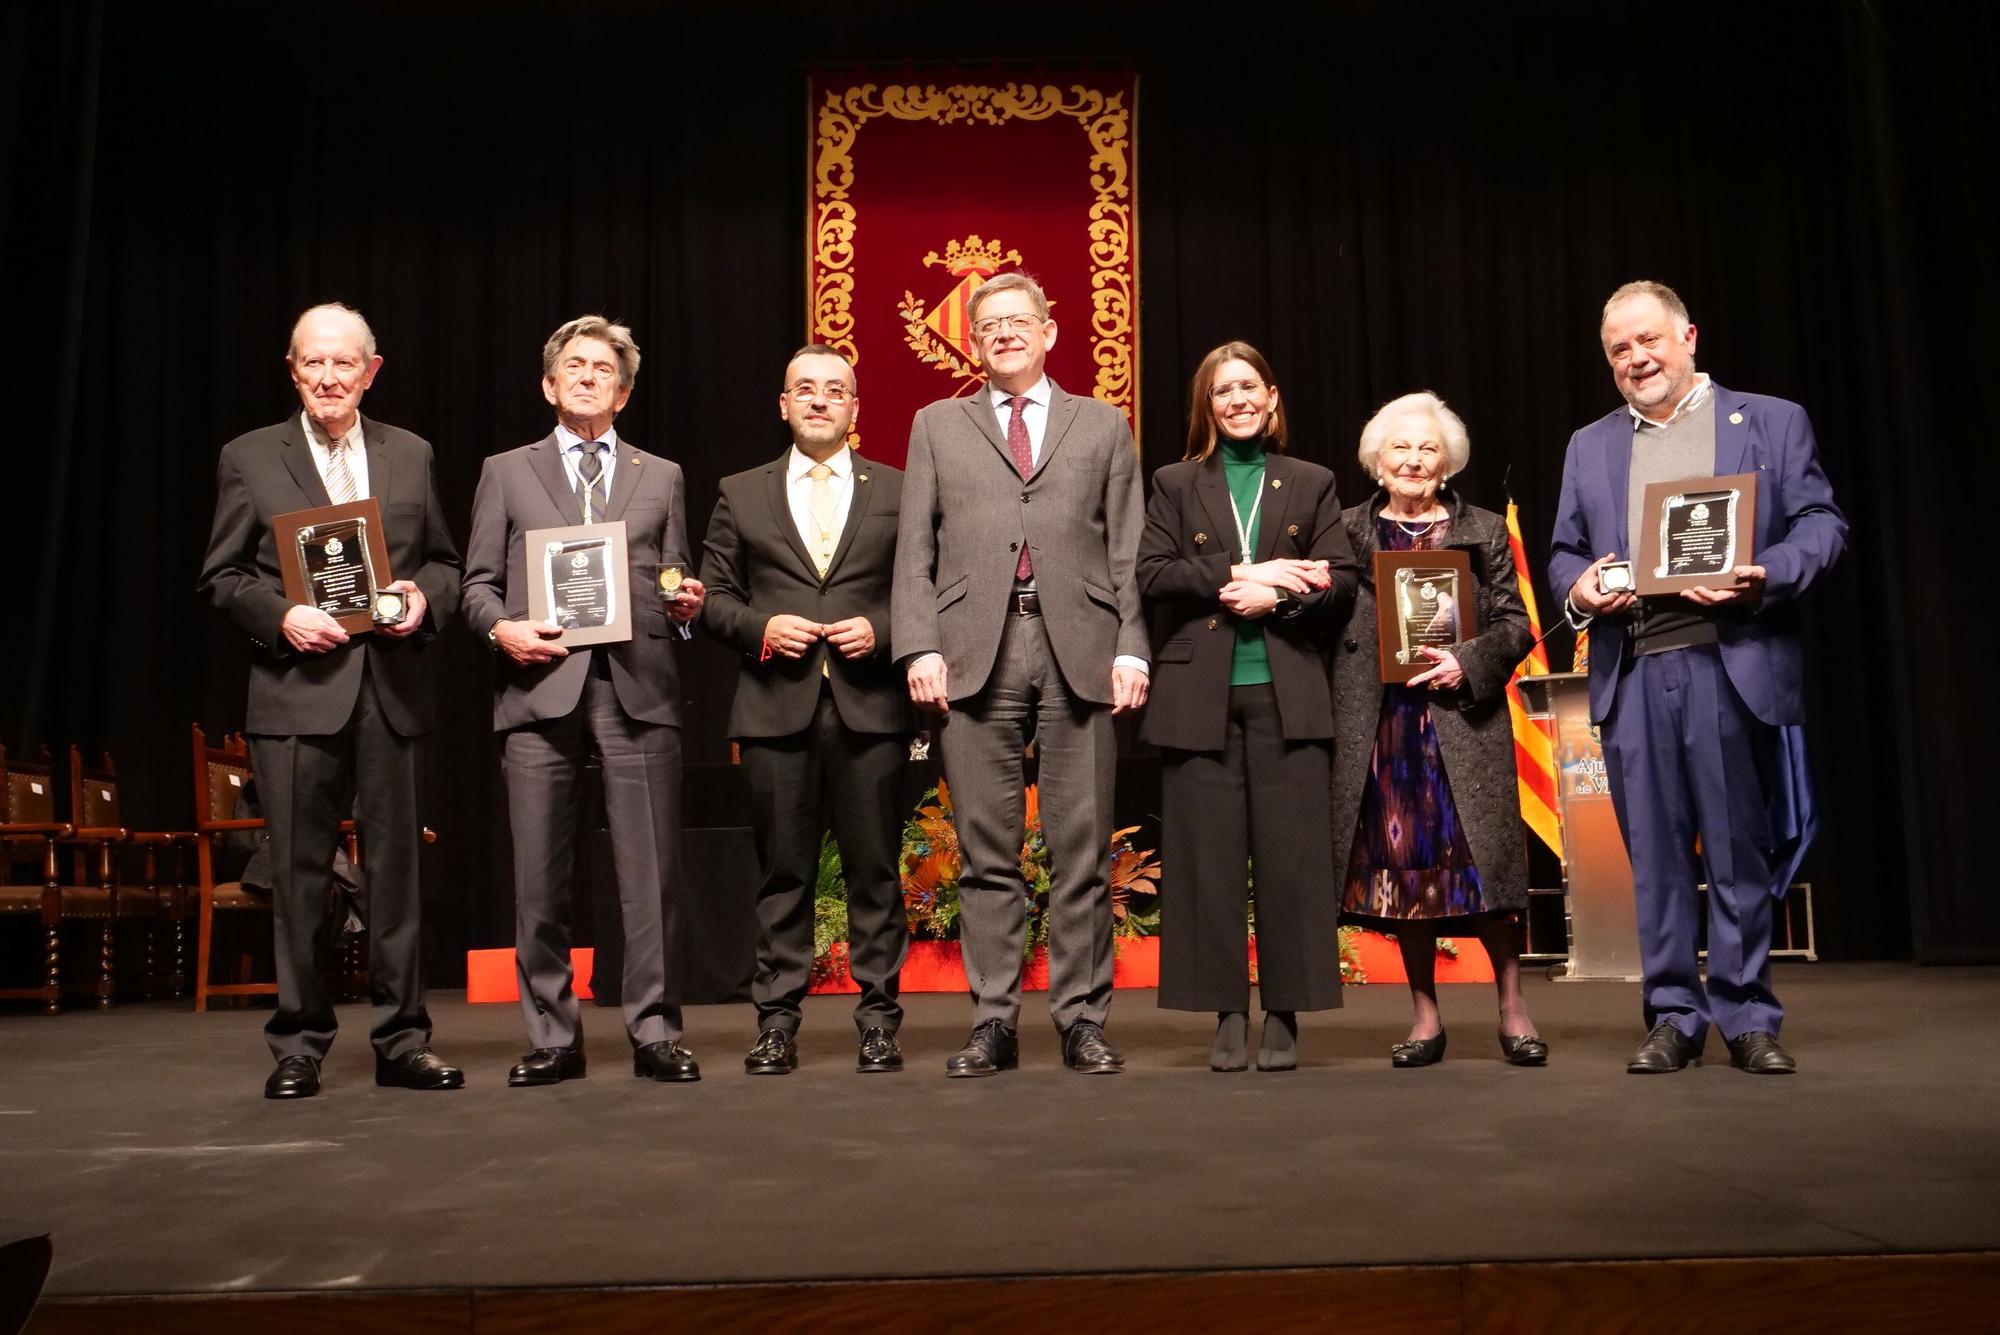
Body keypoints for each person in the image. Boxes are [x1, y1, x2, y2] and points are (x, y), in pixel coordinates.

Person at [1550, 281, 1846, 1075]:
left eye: (1649, 340)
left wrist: (1764, 572)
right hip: (1634, 663)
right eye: (1619, 349)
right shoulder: (1590, 444)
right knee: (1655, 854)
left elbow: (1823, 526)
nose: (1636, 358)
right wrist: (1579, 588)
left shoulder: (1771, 420)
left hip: (1729, 654)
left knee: (1737, 847)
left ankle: (1748, 1013)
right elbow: (1563, 555)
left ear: (1689, 337)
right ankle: (1675, 1013)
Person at [198, 302, 463, 1099]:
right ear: (293, 370)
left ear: (370, 372)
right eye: (313, 363)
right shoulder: (249, 456)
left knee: (397, 877)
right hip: (294, 695)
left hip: (390, 690)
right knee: (298, 878)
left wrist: (425, 600)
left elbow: (447, 564)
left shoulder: (410, 454)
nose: (328, 377)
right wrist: (282, 615)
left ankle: (402, 1039)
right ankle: (299, 1043)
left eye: (343, 363)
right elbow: (222, 576)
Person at [892, 271, 1148, 1077]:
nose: (1004, 332)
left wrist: (1132, 645)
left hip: (1082, 645)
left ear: (1049, 331)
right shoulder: (936, 424)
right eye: (989, 324)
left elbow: (1128, 548)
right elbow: (914, 551)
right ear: (974, 341)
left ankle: (1080, 1019)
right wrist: (918, 645)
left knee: (1080, 847)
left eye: (1018, 320)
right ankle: (993, 1021)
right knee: (985, 851)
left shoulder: (1103, 425)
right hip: (974, 649)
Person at [462, 315, 707, 1086]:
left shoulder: (661, 474)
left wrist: (685, 604)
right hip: (539, 683)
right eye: (574, 365)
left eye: (603, 368)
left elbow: (675, 575)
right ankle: (553, 1036)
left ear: (624, 390)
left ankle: (656, 1031)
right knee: (539, 874)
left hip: (639, 688)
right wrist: (503, 630)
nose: (587, 376)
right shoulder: (506, 471)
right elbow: (475, 587)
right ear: (548, 383)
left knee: (651, 874)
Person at [1137, 341, 1357, 1071]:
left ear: (1270, 398)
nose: (1236, 400)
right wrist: (1240, 571)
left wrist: (1278, 595)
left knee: (1292, 858)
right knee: (1207, 858)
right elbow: (1154, 572)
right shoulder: (1173, 481)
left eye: (1248, 387)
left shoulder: (1311, 481)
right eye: (1222, 390)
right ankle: (1226, 1010)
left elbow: (1344, 580)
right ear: (1208, 404)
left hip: (1287, 686)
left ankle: (1286, 1012)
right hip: (1199, 690)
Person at [698, 345, 911, 1075]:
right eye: (805, 390)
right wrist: (761, 629)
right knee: (782, 875)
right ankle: (776, 1026)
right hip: (773, 709)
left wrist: (882, 630)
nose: (820, 401)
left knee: (876, 874)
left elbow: (929, 585)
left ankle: (880, 1023)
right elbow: (711, 598)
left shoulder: (899, 489)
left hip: (871, 706)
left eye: (836, 391)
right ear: (782, 404)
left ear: (856, 408)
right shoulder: (740, 491)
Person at [1330, 392, 1543, 1068]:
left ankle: (1512, 1005)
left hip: (1463, 722)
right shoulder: (1344, 531)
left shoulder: (1480, 528)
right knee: (1404, 874)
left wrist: (1468, 660)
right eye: (1402, 448)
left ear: (1447, 462)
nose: (1415, 459)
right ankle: (1425, 1014)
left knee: (1487, 873)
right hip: (1382, 726)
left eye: (1428, 449)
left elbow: (1516, 623)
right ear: (1377, 461)